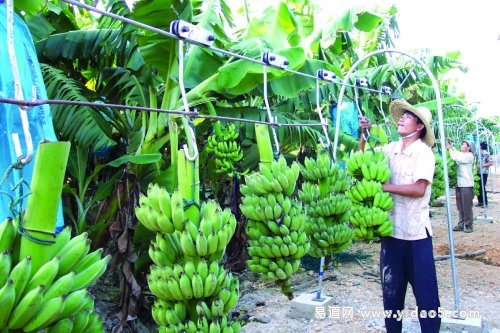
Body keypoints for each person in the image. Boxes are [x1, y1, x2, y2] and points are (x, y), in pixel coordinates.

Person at [359, 99, 440, 333]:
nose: (401, 118)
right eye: (401, 115)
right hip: (391, 232)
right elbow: (363, 159)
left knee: (426, 297)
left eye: (408, 116)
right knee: (391, 295)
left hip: (416, 236)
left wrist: (383, 188)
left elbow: (418, 189)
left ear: (419, 126)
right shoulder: (390, 149)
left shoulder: (424, 154)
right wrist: (364, 134)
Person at [446, 140, 475, 232]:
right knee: (460, 206)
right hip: (460, 184)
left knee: (467, 206)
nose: (462, 145)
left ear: (468, 147)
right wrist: (451, 146)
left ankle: (469, 226)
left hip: (467, 185)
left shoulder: (469, 156)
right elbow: (457, 153)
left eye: (463, 144)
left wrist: (450, 149)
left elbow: (456, 158)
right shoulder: (462, 154)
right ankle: (461, 224)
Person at [476, 141, 494, 207]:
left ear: (480, 146)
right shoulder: (478, 153)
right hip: (478, 172)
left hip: (483, 172)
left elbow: (491, 162)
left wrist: (482, 165)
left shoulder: (486, 154)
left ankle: (485, 202)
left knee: (482, 187)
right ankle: (480, 201)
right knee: (479, 187)